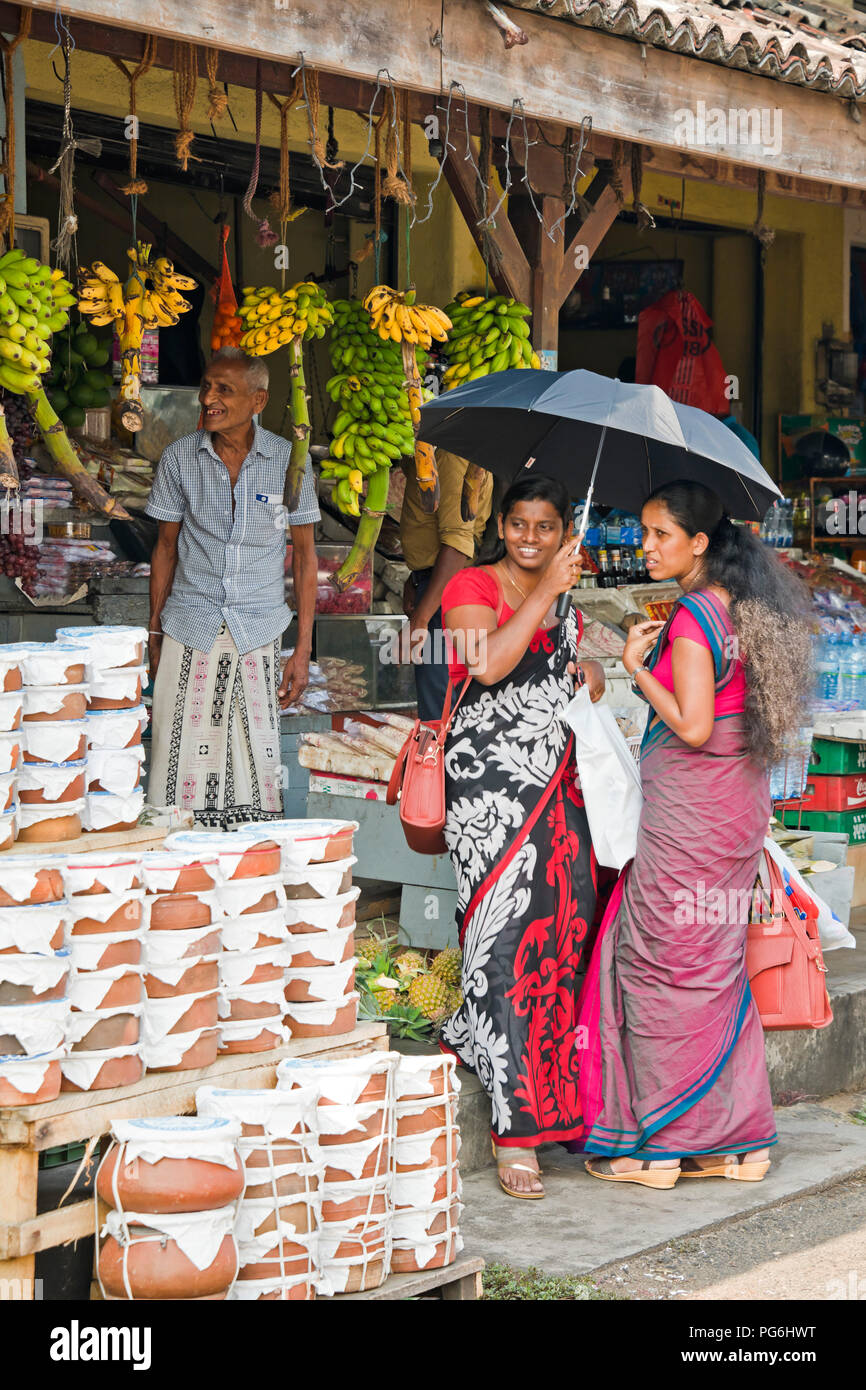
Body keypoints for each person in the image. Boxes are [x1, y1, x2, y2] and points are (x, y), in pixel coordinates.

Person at [575, 480, 811, 1188]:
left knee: (660, 966)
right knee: (711, 966)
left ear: (699, 543)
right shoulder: (744, 606)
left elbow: (695, 725)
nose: (646, 546)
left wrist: (636, 671)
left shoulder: (691, 619)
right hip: (734, 810)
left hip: (691, 817)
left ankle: (661, 1150)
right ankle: (736, 1146)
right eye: (643, 533)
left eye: (659, 535)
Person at [438, 474, 606, 1200]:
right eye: (519, 525)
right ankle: (516, 1134)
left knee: (561, 937)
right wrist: (545, 593)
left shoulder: (564, 593)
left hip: (559, 789)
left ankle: (556, 1107)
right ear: (500, 526)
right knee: (500, 946)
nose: (531, 539)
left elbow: (571, 666)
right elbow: (487, 662)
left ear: (561, 528)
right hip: (489, 797)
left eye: (545, 526)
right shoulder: (469, 587)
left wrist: (591, 669)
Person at [146, 347, 319, 829]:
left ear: (258, 400)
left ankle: (246, 869)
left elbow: (305, 559)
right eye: (207, 386)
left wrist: (303, 648)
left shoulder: (290, 462)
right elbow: (165, 549)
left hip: (258, 629)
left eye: (225, 390)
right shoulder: (180, 458)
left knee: (254, 759)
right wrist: (155, 632)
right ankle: (176, 864)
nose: (208, 398)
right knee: (175, 757)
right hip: (190, 623)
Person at [401, 448, 493, 721]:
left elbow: (457, 545)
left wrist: (421, 617)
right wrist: (416, 577)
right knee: (441, 699)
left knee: (441, 709)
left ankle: (439, 763)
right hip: (437, 585)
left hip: (446, 592)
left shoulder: (449, 455)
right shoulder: (435, 454)